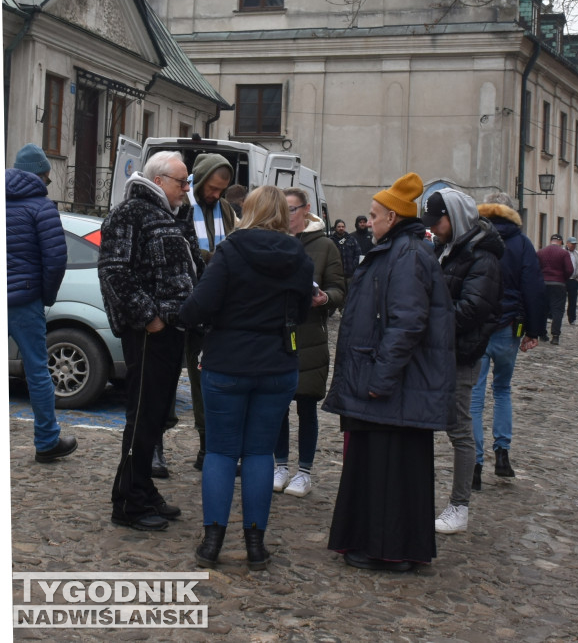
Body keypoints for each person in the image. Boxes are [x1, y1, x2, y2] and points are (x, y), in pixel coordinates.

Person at [323, 173, 455, 571]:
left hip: (394, 385)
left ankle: (390, 549)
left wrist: (381, 377)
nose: (370, 221)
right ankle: (380, 544)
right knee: (381, 468)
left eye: (375, 214)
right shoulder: (399, 250)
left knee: (392, 470)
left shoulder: (408, 255)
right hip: (386, 382)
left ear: (393, 218)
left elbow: (408, 323)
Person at [179, 185, 313, 570]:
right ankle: (255, 546)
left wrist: (186, 318)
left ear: (248, 211)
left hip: (227, 364)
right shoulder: (298, 256)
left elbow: (200, 304)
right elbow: (302, 312)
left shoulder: (231, 251)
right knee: (259, 453)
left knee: (220, 452)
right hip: (277, 364)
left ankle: (212, 543)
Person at [99, 151, 204, 531]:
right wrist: (150, 319)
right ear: (159, 181)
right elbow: (114, 273)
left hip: (173, 331)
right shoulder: (129, 213)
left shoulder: (171, 215)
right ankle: (128, 501)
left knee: (156, 416)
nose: (186, 190)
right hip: (149, 334)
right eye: (182, 182)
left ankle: (142, 488)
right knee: (142, 416)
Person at [421, 189, 504, 535]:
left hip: (461, 352)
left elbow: (472, 309)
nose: (434, 229)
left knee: (459, 429)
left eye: (437, 222)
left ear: (453, 218)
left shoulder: (482, 257)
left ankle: (460, 505)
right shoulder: (446, 248)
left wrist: (427, 320)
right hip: (437, 349)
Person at [6, 143, 77, 463]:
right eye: (47, 179)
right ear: (40, 176)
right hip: (23, 299)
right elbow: (56, 260)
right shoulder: (41, 207)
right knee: (36, 369)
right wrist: (46, 295)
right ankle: (47, 440)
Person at [272, 189, 346, 498]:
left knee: (306, 404)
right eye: (282, 209)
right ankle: (279, 465)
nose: (286, 215)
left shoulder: (325, 246)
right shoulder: (272, 240)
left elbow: (339, 290)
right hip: (275, 333)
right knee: (276, 406)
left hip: (309, 334)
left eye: (291, 209)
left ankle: (304, 470)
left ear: (306, 210)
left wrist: (324, 298)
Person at [470, 192, 546, 489]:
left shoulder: (474, 238)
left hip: (478, 324)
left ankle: (475, 464)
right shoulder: (521, 243)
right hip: (509, 327)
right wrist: (532, 330)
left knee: (475, 396)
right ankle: (502, 453)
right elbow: (534, 287)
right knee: (502, 389)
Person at [175, 153, 239, 474]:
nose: (216, 195)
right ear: (199, 182)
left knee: (214, 380)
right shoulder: (183, 209)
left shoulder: (225, 209)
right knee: (183, 379)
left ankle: (213, 446)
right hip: (187, 305)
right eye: (212, 189)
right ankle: (184, 447)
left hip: (220, 308)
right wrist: (216, 259)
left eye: (221, 190)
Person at [536, 233, 574, 344]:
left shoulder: (540, 252)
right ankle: (555, 335)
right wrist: (563, 278)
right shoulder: (564, 253)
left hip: (543, 283)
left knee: (542, 309)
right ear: (561, 242)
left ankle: (542, 333)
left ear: (550, 240)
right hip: (558, 283)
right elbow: (569, 269)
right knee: (557, 310)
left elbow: (535, 267)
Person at [565, 236, 578, 325]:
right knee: (559, 299)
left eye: (575, 244)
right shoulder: (563, 252)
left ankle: (572, 319)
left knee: (573, 300)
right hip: (564, 279)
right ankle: (551, 316)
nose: (573, 246)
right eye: (572, 244)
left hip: (573, 279)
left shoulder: (577, 254)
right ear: (567, 243)